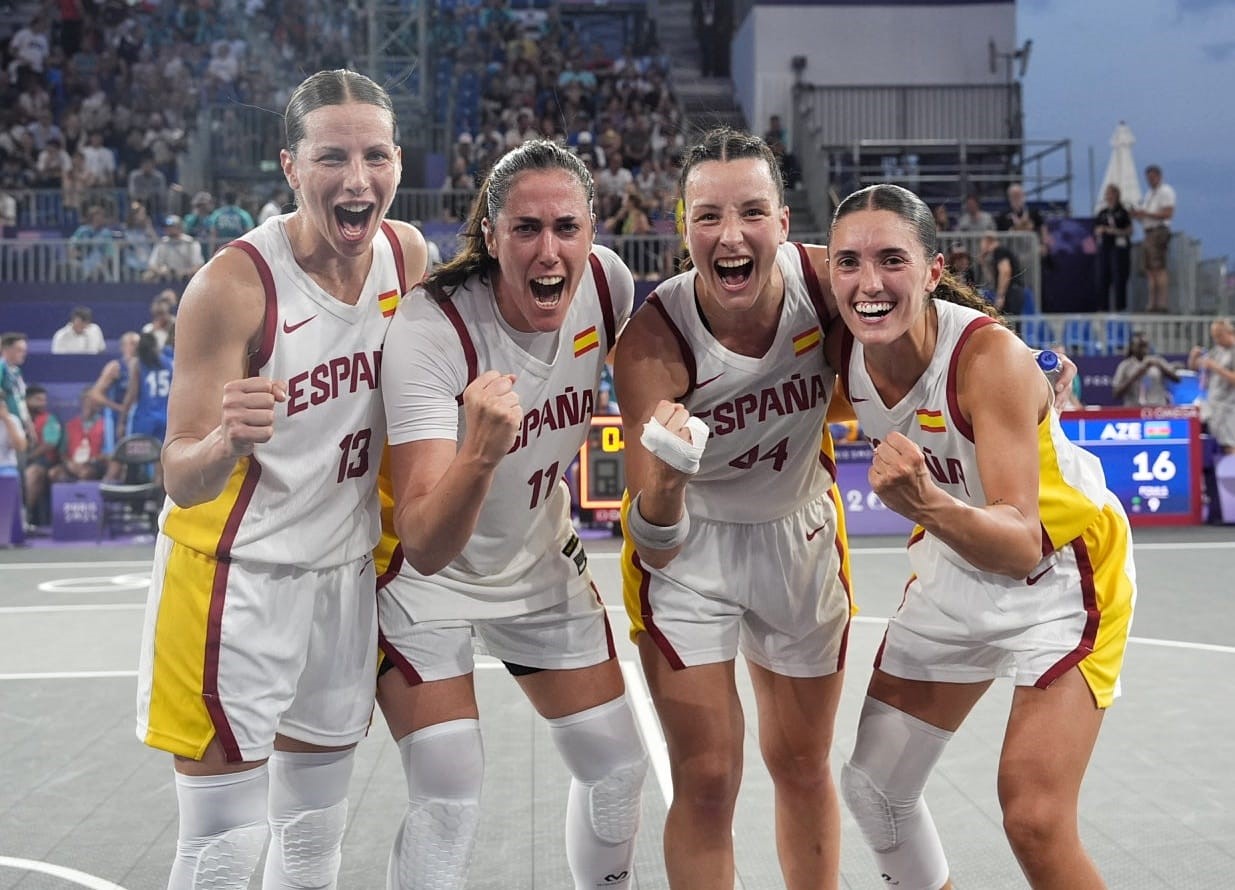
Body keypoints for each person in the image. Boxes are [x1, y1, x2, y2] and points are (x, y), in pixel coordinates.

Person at [134, 69, 427, 889]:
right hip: (237, 583)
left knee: (310, 840)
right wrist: (226, 439)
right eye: (332, 157)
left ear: (398, 163)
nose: (357, 178)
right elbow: (179, 477)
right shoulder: (232, 288)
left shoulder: (408, 255)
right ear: (291, 168)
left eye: (374, 155)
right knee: (224, 848)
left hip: (342, 577)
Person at [825, 183, 1136, 890]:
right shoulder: (841, 351)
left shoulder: (985, 361)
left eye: (891, 260)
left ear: (933, 271)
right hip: (953, 569)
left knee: (1032, 816)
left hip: (1060, 576)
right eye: (847, 261)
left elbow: (1021, 538)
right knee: (875, 793)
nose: (867, 281)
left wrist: (927, 504)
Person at [376, 139, 647, 890]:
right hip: (424, 577)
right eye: (525, 229)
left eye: (566, 226)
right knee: (448, 792)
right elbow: (425, 542)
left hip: (535, 555)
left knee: (618, 771)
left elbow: (665, 381)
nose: (548, 248)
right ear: (490, 237)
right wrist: (480, 453)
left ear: (593, 229)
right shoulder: (431, 329)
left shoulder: (608, 284)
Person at [613, 128, 852, 890]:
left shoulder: (829, 284)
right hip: (692, 553)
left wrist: (1028, 370)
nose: (730, 233)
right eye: (707, 215)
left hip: (799, 529)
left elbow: (936, 329)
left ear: (783, 223)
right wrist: (672, 478)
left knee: (804, 766)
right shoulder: (653, 339)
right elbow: (653, 541)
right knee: (709, 779)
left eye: (751, 211)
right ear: (683, 229)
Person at [1131, 164, 1175, 313]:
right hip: (1148, 231)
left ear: (1159, 176)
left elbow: (1168, 213)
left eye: (1152, 177)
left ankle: (1162, 303)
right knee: (1149, 269)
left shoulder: (1166, 192)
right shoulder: (1149, 194)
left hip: (1159, 230)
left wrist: (1147, 214)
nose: (1150, 181)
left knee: (1158, 267)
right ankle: (1152, 303)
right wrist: (1138, 215)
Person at [1189, 318, 1235, 453]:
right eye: (1214, 336)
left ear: (1229, 332)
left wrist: (1216, 367)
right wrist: (1193, 357)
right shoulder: (1217, 350)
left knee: (1229, 445)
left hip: (1230, 406)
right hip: (1213, 403)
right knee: (1197, 429)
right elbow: (1196, 367)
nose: (1217, 340)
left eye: (1219, 336)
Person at [91, 330, 139, 448]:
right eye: (132, 343)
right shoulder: (115, 367)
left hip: (137, 416)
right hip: (116, 416)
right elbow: (95, 394)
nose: (137, 347)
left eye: (138, 343)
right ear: (123, 347)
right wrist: (118, 407)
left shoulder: (143, 366)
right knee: (116, 455)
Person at [1111, 332, 1179, 407]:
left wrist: (1160, 366)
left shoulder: (1157, 360)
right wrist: (1135, 375)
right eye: (1140, 346)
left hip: (1157, 409)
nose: (1143, 349)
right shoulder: (1125, 365)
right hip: (1134, 409)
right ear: (1132, 347)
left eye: (1145, 345)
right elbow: (1116, 393)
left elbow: (1177, 379)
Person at [1093, 184, 1133, 312]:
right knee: (1102, 277)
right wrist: (1100, 231)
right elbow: (1096, 228)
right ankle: (1102, 307)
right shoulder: (1102, 213)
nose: (1108, 196)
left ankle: (1120, 307)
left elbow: (1129, 230)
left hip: (1119, 249)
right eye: (1107, 194)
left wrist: (1112, 231)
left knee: (1119, 277)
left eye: (1110, 193)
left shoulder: (1122, 212)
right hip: (1104, 247)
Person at [978, 231, 1026, 315]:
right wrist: (984, 263)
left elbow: (1005, 272)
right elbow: (991, 278)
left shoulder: (999, 251)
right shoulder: (997, 253)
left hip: (1012, 292)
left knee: (1011, 322)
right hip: (1011, 291)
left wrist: (1000, 295)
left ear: (987, 241)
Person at [146, 214, 205, 282]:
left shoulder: (190, 242)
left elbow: (198, 265)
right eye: (168, 227)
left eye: (172, 227)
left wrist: (184, 272)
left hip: (186, 275)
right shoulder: (162, 242)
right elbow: (152, 264)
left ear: (180, 227)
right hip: (165, 276)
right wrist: (160, 271)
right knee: (148, 275)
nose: (169, 229)